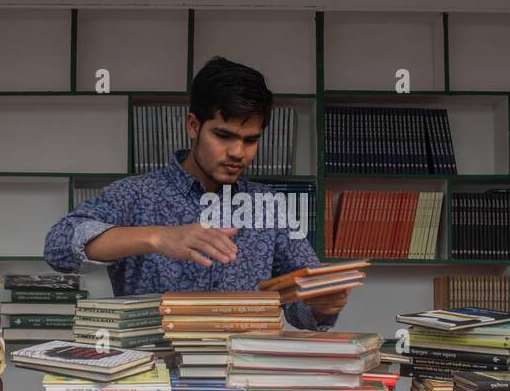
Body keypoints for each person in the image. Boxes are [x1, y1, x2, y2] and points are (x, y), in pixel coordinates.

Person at [44, 56, 347, 330]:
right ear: (193, 125)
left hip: (242, 381)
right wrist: (157, 237)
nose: (238, 152)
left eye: (250, 140)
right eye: (223, 135)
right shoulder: (135, 194)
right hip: (155, 377)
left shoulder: (269, 205)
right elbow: (58, 247)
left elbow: (302, 308)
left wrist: (322, 305)